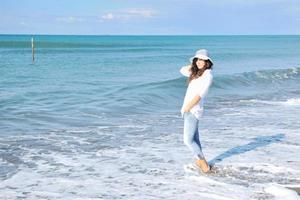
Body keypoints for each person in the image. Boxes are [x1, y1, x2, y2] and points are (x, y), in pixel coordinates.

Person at [180, 49, 213, 173]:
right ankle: (199, 160)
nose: (199, 62)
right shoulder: (196, 73)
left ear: (207, 62)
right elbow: (182, 70)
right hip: (188, 109)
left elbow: (200, 94)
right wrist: (193, 65)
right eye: (197, 59)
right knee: (195, 139)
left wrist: (188, 107)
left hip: (193, 110)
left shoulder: (207, 75)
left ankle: (203, 164)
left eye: (202, 60)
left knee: (187, 140)